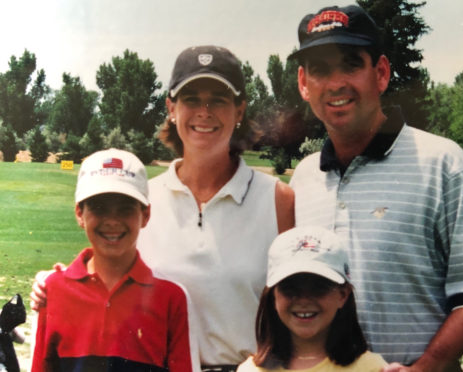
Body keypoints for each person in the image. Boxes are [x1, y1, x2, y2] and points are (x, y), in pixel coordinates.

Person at [31, 46, 295, 372]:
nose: (204, 111)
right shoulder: (140, 200)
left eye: (219, 99)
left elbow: (300, 308)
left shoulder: (278, 200)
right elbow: (105, 274)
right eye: (191, 99)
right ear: (171, 107)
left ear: (239, 110)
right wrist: (51, 283)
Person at [287, 5, 463, 371]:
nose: (336, 82)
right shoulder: (304, 178)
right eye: (320, 70)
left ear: (381, 73)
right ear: (303, 84)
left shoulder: (444, 163)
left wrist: (426, 367)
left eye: (350, 64)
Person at [31, 148, 196, 372]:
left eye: (125, 209)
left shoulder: (170, 298)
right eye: (99, 208)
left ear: (145, 215)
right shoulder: (53, 290)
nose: (112, 221)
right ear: (80, 214)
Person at [237, 226, 387, 372]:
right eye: (290, 288)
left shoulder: (372, 368)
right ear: (273, 295)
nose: (304, 300)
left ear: (343, 295)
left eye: (318, 287)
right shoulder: (250, 370)